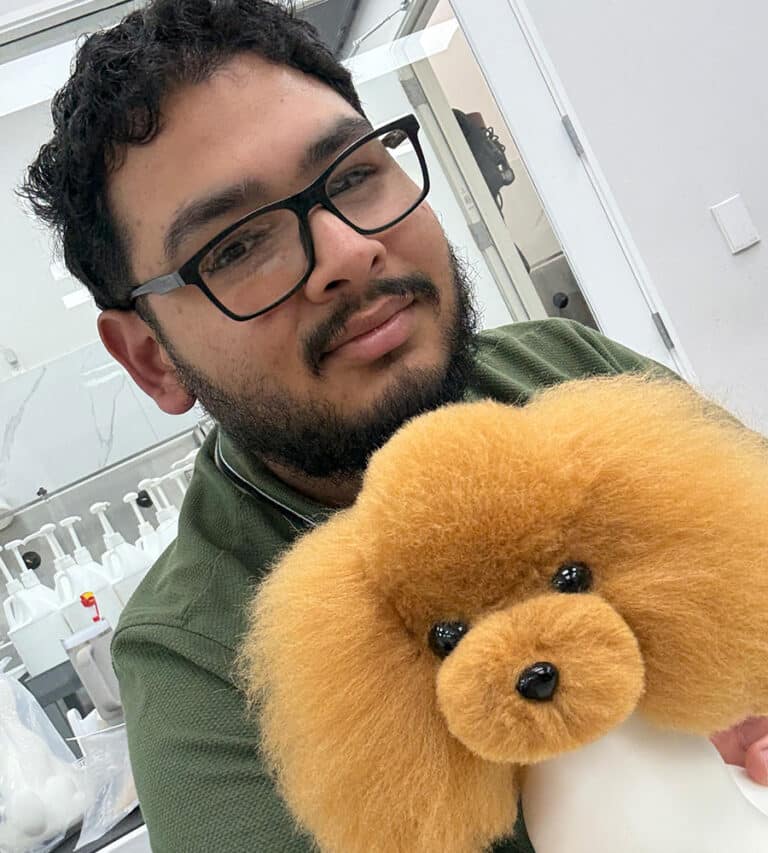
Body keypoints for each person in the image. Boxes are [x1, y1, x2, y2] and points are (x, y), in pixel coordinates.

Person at [20, 1, 768, 850]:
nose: (344, 252)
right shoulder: (200, 659)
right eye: (234, 246)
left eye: (352, 173)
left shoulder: (561, 365)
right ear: (150, 358)